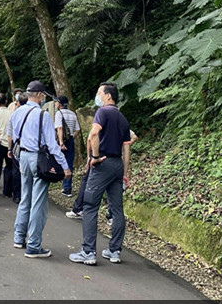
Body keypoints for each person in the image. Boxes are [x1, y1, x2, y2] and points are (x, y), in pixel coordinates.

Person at [69, 82, 131, 265]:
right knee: (117, 209)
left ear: (108, 96)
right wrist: (125, 174)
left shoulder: (102, 112)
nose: (98, 97)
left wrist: (94, 157)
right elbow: (127, 150)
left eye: (99, 93)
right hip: (117, 165)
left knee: (89, 206)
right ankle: (114, 251)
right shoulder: (123, 118)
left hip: (102, 164)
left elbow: (93, 135)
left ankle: (88, 252)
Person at [10, 81, 71, 258]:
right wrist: (65, 167)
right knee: (38, 202)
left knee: (25, 198)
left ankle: (19, 237)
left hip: (23, 157)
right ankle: (34, 245)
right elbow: (52, 145)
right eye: (43, 95)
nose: (44, 98)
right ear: (39, 95)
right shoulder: (42, 115)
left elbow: (15, 137)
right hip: (38, 158)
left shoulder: (17, 113)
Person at [54, 96, 80, 197]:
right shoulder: (73, 114)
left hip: (62, 141)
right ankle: (67, 188)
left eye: (56, 102)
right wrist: (71, 137)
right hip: (70, 140)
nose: (55, 104)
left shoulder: (59, 113)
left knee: (60, 161)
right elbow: (77, 129)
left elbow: (59, 128)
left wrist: (60, 142)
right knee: (69, 162)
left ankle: (59, 182)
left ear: (60, 104)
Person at [6, 92, 28, 203]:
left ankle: (17, 195)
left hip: (17, 144)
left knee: (16, 170)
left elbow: (9, 134)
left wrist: (9, 149)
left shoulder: (13, 115)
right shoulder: (33, 113)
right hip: (29, 144)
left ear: (18, 102)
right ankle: (26, 194)